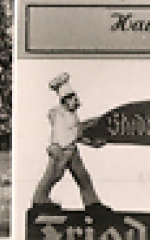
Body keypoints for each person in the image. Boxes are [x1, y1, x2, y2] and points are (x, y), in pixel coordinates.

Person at [31, 72, 108, 212]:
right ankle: (39, 200)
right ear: (65, 100)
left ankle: (92, 203)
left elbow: (77, 134)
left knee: (83, 177)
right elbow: (70, 135)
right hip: (61, 150)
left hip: (70, 149)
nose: (76, 102)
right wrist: (89, 143)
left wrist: (92, 142)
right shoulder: (60, 115)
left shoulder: (71, 115)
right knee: (52, 176)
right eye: (73, 99)